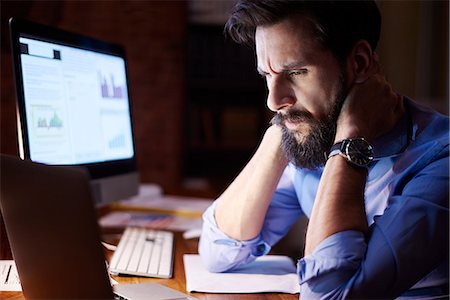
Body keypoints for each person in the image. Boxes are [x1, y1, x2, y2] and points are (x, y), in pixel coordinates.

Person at [198, 0, 449, 299]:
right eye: (267, 75)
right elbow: (219, 251)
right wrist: (279, 132)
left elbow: (327, 295)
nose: (273, 99)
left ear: (359, 63)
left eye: (295, 72)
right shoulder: (315, 140)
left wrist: (350, 141)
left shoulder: (440, 160)